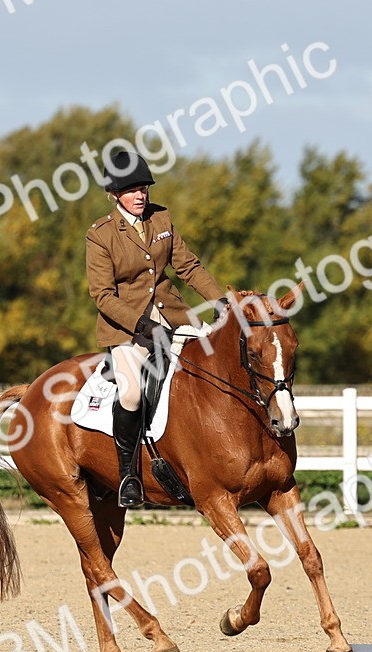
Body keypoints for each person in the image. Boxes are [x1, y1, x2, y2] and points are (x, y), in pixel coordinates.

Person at [86, 151, 226, 508]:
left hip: (174, 316)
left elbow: (189, 266)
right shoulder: (100, 235)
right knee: (131, 393)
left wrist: (221, 300)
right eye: (132, 190)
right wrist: (141, 325)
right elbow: (102, 294)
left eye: (143, 188)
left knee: (215, 365)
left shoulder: (161, 218)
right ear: (115, 194)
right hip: (127, 328)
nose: (140, 195)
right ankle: (128, 476)